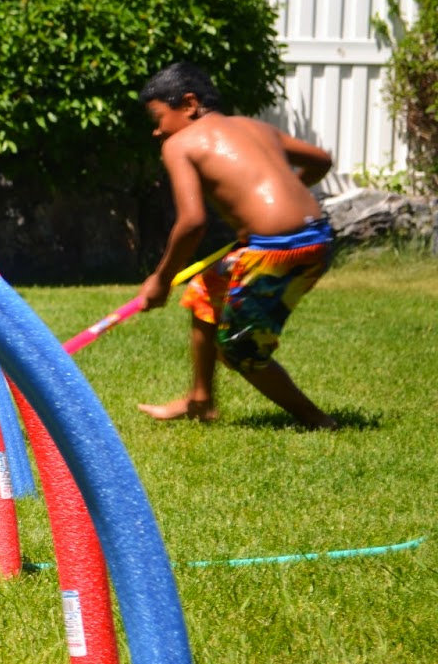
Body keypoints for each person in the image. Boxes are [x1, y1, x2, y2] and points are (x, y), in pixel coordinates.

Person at [134, 61, 339, 429]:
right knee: (205, 292)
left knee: (240, 348)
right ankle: (201, 400)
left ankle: (317, 421)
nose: (156, 130)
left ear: (189, 104)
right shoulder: (255, 127)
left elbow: (192, 222)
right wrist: (283, 199)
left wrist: (161, 279)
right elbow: (322, 161)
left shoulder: (180, 143)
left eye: (159, 117)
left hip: (278, 252)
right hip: (318, 236)